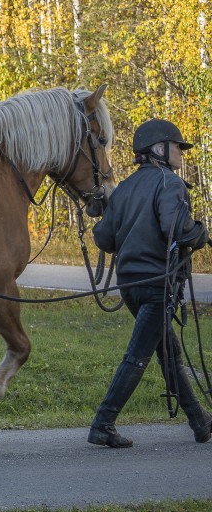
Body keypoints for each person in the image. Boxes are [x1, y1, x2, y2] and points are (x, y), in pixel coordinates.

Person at [89, 118, 211, 448]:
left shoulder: (125, 187)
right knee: (137, 357)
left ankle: (200, 421)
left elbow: (103, 238)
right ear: (159, 150)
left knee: (168, 352)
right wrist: (201, 234)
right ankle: (103, 422)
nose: (180, 154)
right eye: (177, 147)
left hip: (129, 286)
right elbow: (179, 228)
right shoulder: (170, 183)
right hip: (158, 285)